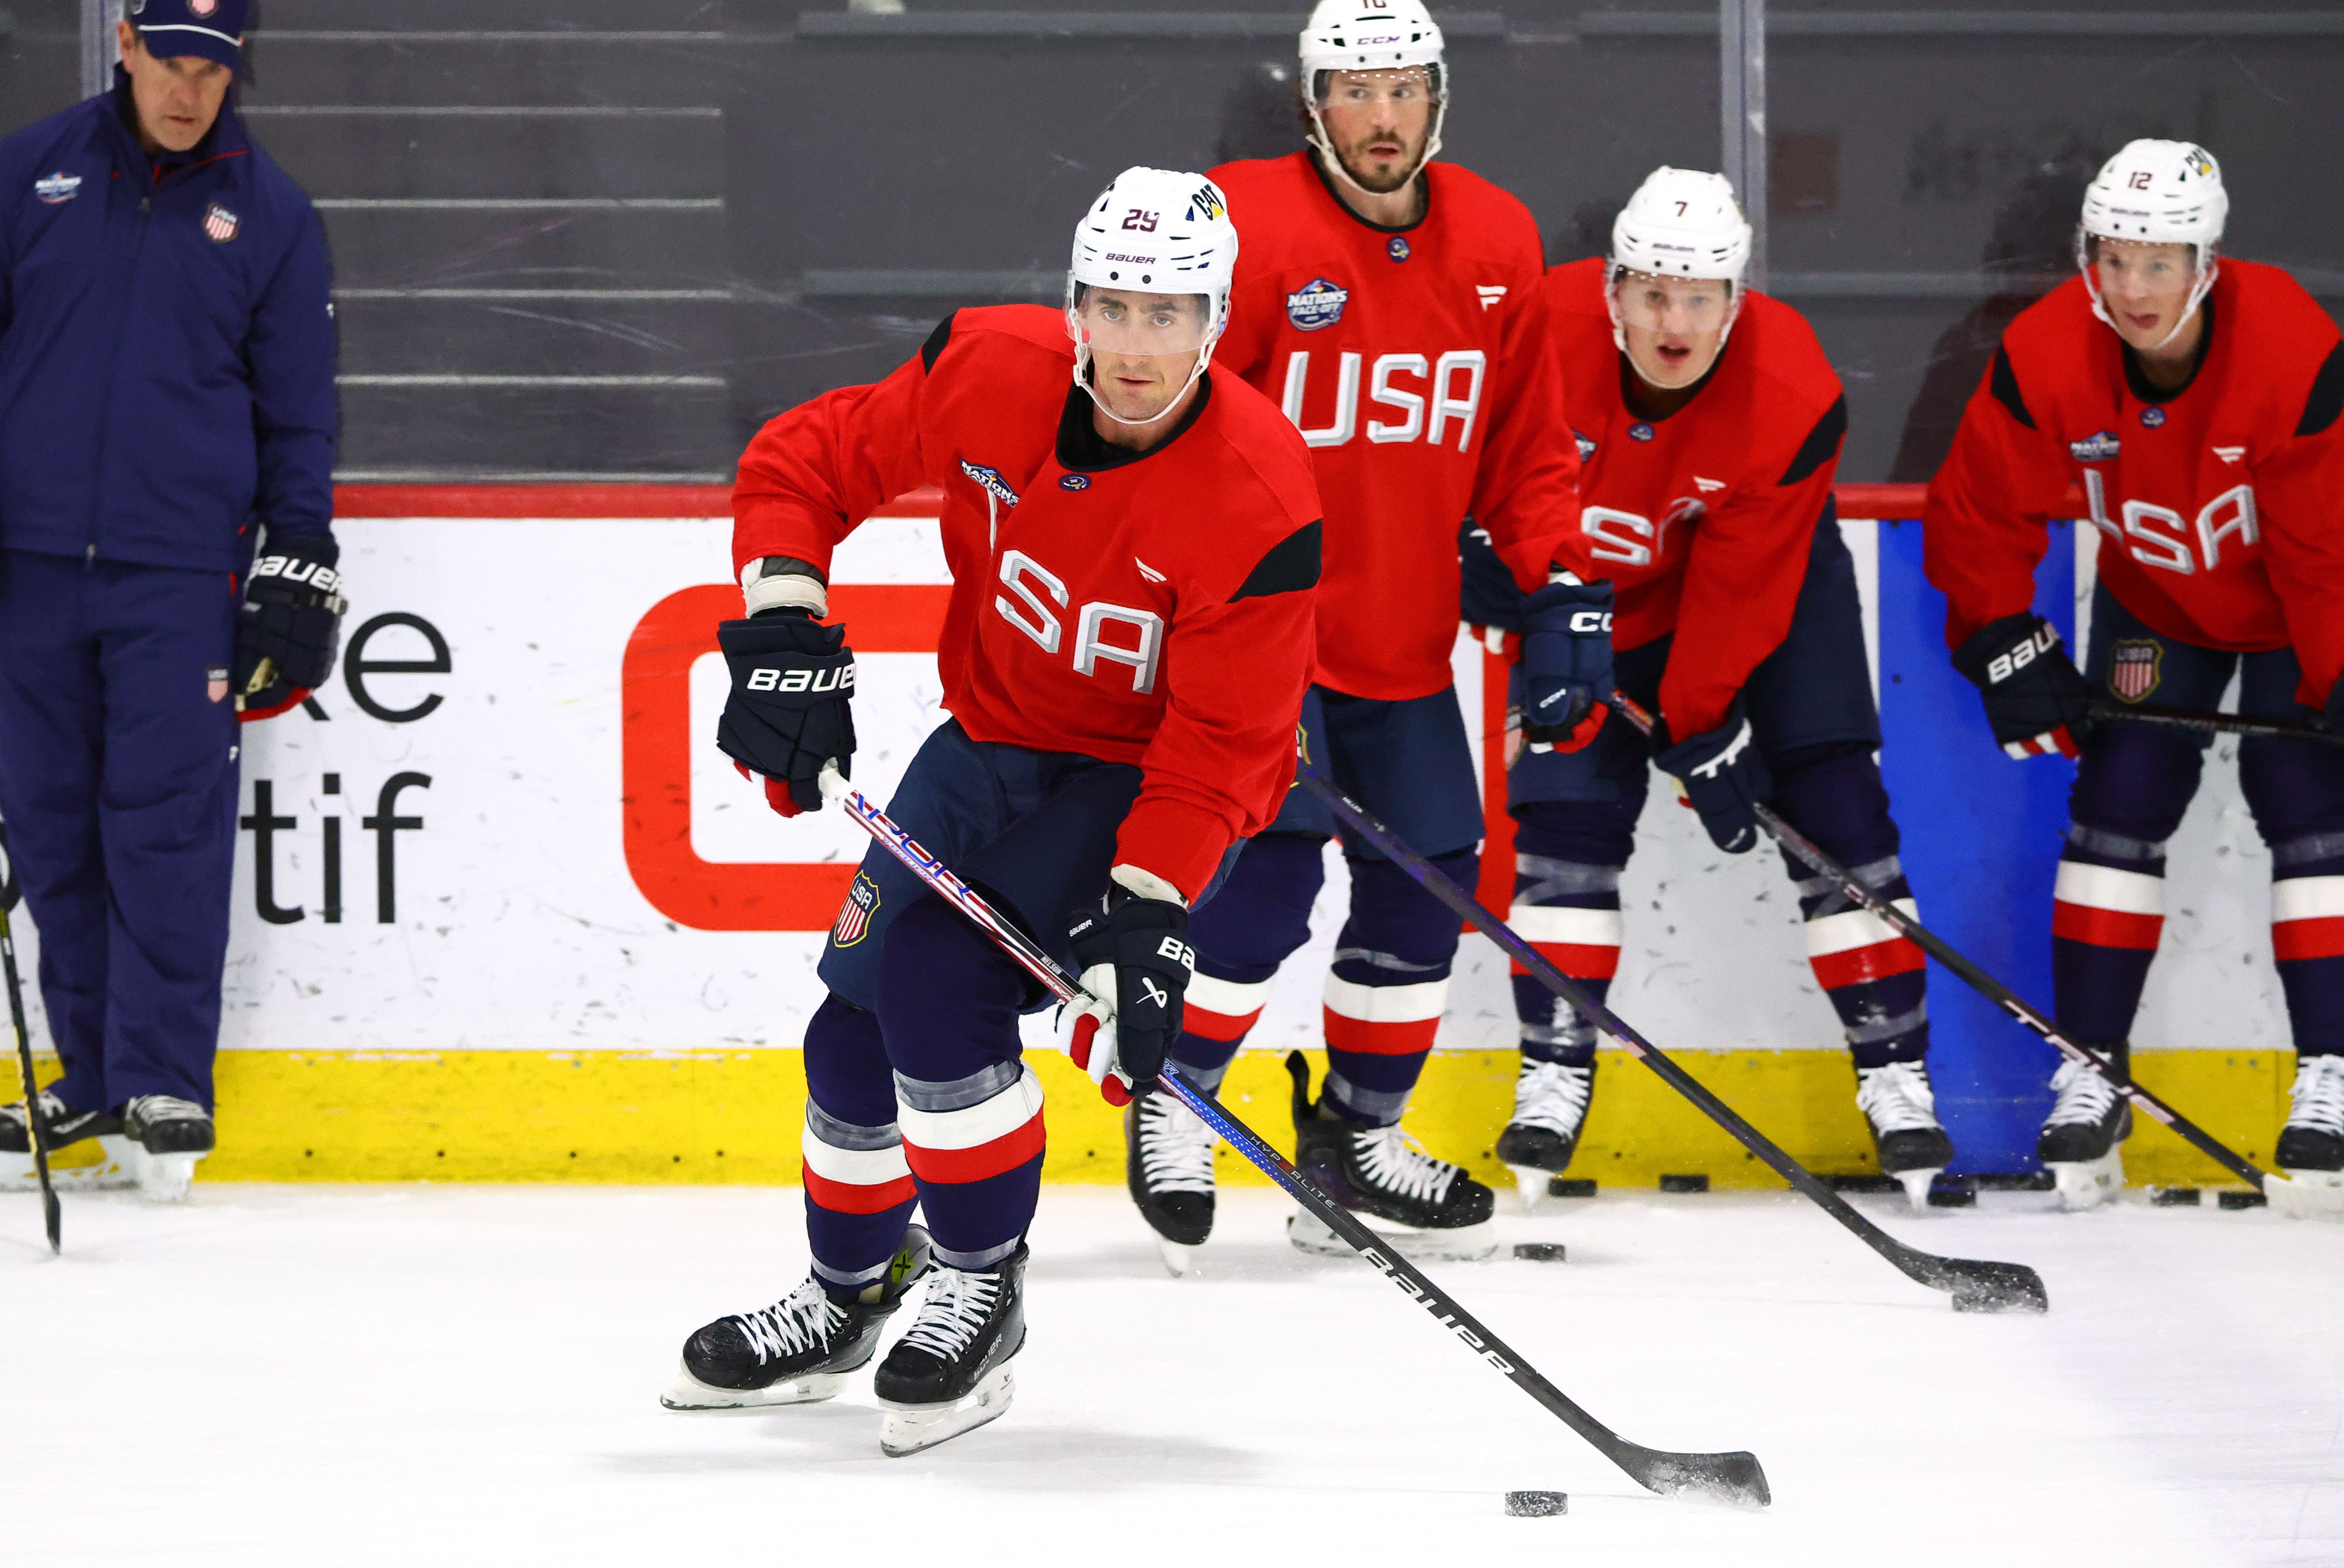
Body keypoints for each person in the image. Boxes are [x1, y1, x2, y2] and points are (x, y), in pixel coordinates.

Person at [661, 168, 1323, 1455]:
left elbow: (1225, 745)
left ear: (1217, 318)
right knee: (850, 1024)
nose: (1136, 346)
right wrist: (784, 618)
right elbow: (805, 459)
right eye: (1113, 307)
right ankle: (849, 1297)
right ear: (1073, 305)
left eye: (1169, 314)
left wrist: (1152, 904)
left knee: (937, 975)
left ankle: (978, 1279)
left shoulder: (1260, 492)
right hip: (988, 742)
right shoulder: (986, 369)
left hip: (1132, 781)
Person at [1121, 0, 1598, 1269]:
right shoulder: (1242, 224)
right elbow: (1166, 417)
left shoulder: (1497, 237)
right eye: (1352, 90)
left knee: (1430, 874)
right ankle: (1175, 1098)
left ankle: (1355, 1137)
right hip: (1254, 635)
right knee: (1266, 875)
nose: (1378, 118)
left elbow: (1525, 452)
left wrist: (1558, 588)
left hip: (1399, 636)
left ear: (1437, 98)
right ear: (1310, 105)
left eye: (1400, 90)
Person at [1463, 166, 1957, 1211]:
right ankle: (1554, 1068)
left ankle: (1894, 1074)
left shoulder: (1789, 387)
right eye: (1648, 292)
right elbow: (1456, 472)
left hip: (1764, 592)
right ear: (1611, 289)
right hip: (1586, 599)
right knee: (1565, 823)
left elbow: (1739, 593)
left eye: (1697, 297)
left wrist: (1702, 726)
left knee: (1834, 806)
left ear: (1735, 299)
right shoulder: (1531, 334)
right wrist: (1482, 566)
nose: (1671, 321)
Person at [1923, 140, 2344, 1207]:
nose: (2131, 288)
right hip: (2157, 602)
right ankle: (2092, 1065)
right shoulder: (2047, 348)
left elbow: (2324, 550)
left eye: (2158, 264)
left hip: (2297, 606)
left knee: (2309, 805)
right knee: (2117, 802)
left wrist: (2337, 674)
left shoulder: (2292, 346)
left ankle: (2331, 1074)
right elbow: (1981, 507)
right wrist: (2000, 637)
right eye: (2112, 259)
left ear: (2207, 264)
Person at [0, 0, 342, 1201]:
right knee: (48, 826)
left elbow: (298, 410)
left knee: (165, 826)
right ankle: (86, 1073)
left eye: (213, 67)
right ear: (125, 49)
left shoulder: (273, 216)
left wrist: (297, 550)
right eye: (171, 61)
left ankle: (162, 1077)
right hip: (28, 565)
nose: (189, 88)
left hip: (178, 571)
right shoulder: (25, 173)